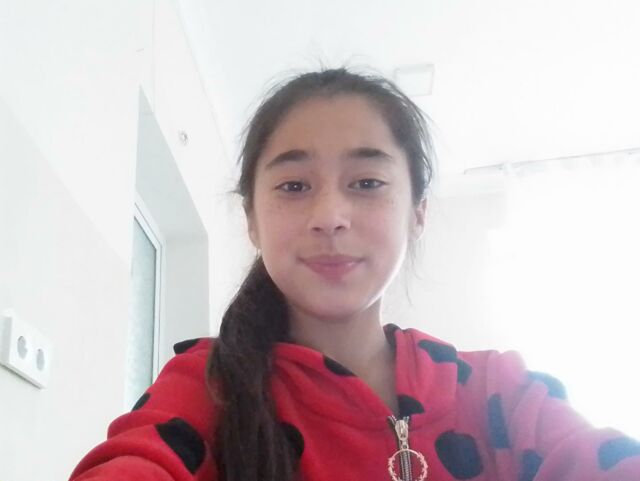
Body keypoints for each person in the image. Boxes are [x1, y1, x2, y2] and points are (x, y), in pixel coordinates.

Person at [69, 68, 640, 481]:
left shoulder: (500, 391)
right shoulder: (207, 384)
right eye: (294, 186)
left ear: (418, 212)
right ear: (252, 220)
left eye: (367, 183)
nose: (330, 216)